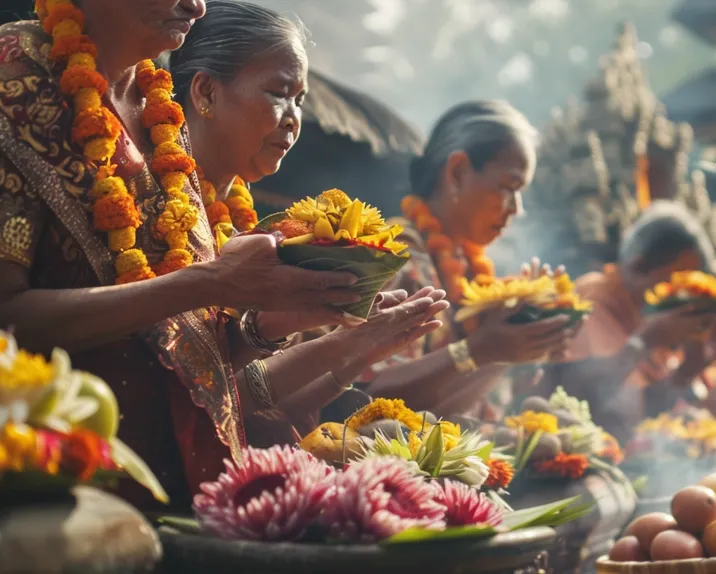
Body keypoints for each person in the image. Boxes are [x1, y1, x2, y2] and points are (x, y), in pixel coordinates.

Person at [0, 1, 443, 511]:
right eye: (278, 94)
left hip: (186, 492)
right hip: (60, 496)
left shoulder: (157, 117)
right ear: (206, 93)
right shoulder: (17, 79)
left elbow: (191, 362)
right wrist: (213, 284)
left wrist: (271, 326)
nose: (196, 5)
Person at [164, 1, 450, 444]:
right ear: (205, 94)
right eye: (279, 93)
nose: (294, 119)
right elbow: (180, 394)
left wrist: (358, 349)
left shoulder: (246, 229)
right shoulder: (152, 203)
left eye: (300, 100)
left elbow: (264, 406)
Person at [353, 100, 578, 420]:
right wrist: (480, 350)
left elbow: (464, 407)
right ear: (457, 173)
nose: (517, 209)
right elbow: (362, 399)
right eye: (508, 187)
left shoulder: (473, 270)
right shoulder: (397, 256)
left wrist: (523, 344)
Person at [539, 201, 716, 439]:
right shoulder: (591, 300)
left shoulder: (645, 318)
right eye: (676, 284)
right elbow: (575, 397)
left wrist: (688, 370)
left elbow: (643, 413)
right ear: (640, 267)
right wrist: (642, 342)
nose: (682, 296)